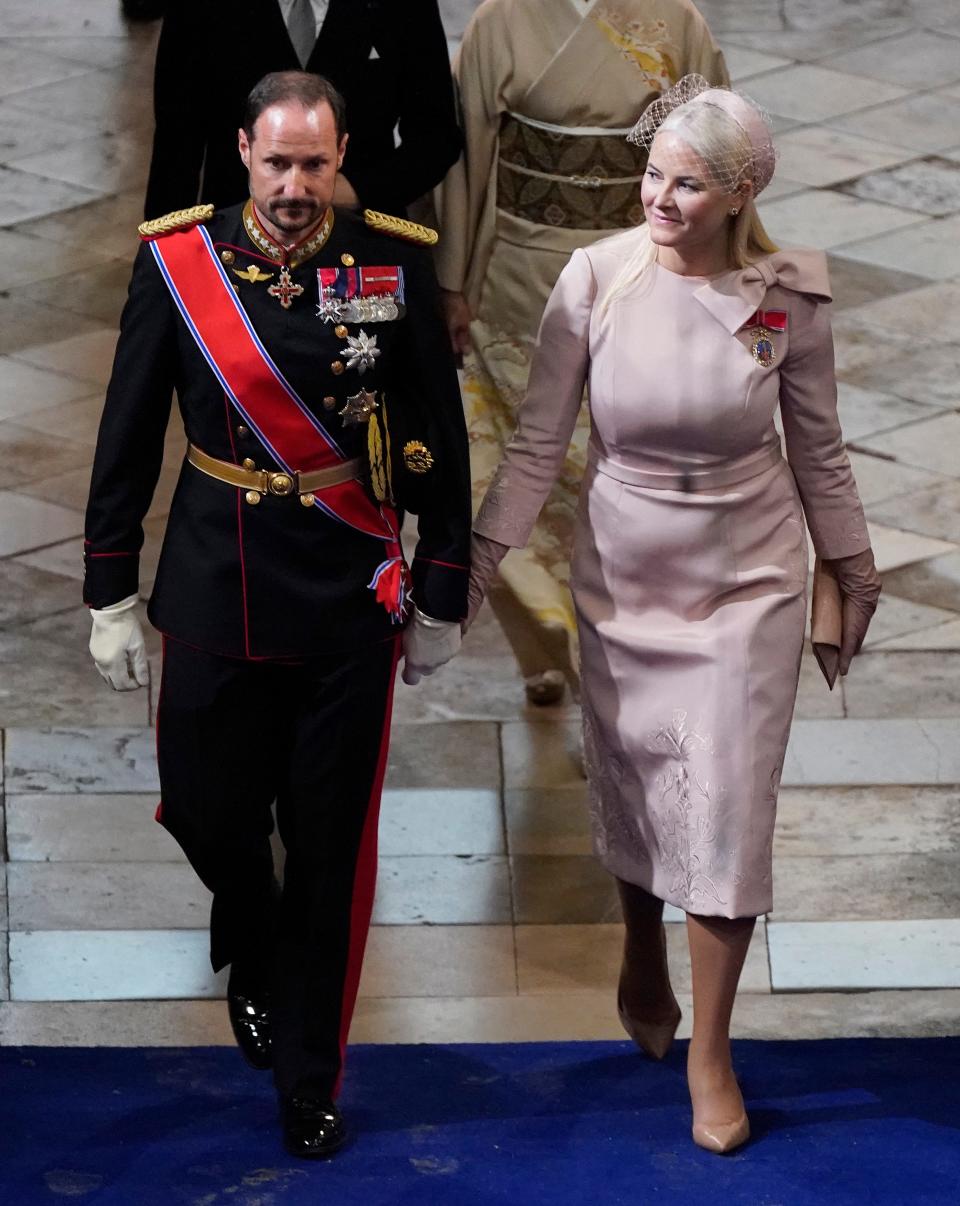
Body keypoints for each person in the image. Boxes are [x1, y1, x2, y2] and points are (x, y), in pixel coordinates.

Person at [464, 75, 881, 1154]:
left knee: (729, 805)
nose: (656, 197)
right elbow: (534, 444)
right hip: (624, 577)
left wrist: (857, 570)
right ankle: (640, 943)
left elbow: (820, 450)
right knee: (646, 779)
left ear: (739, 195)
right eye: (652, 174)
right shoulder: (593, 279)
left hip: (750, 583)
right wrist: (475, 559)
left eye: (685, 184)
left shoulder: (787, 298)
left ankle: (712, 1047)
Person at [84, 71, 470, 1158]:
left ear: (341, 156)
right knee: (204, 808)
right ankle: (250, 938)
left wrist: (442, 584)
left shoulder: (393, 259)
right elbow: (127, 430)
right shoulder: (179, 260)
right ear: (243, 151)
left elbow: (439, 428)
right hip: (216, 581)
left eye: (316, 164)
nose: (296, 187)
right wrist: (110, 585)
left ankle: (311, 1075)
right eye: (276, 163)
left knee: (334, 850)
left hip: (348, 597)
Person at [435, 0, 728, 706]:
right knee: (511, 471)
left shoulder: (676, 21)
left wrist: (712, 276)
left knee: (621, 479)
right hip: (520, 283)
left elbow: (717, 154)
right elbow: (466, 162)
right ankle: (543, 642)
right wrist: (452, 281)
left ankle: (615, 657)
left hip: (639, 272)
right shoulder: (499, 23)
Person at [144, 0, 461, 220]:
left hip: (359, 242)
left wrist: (354, 191)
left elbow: (436, 138)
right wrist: (162, 272)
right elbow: (175, 151)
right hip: (237, 247)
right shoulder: (200, 7)